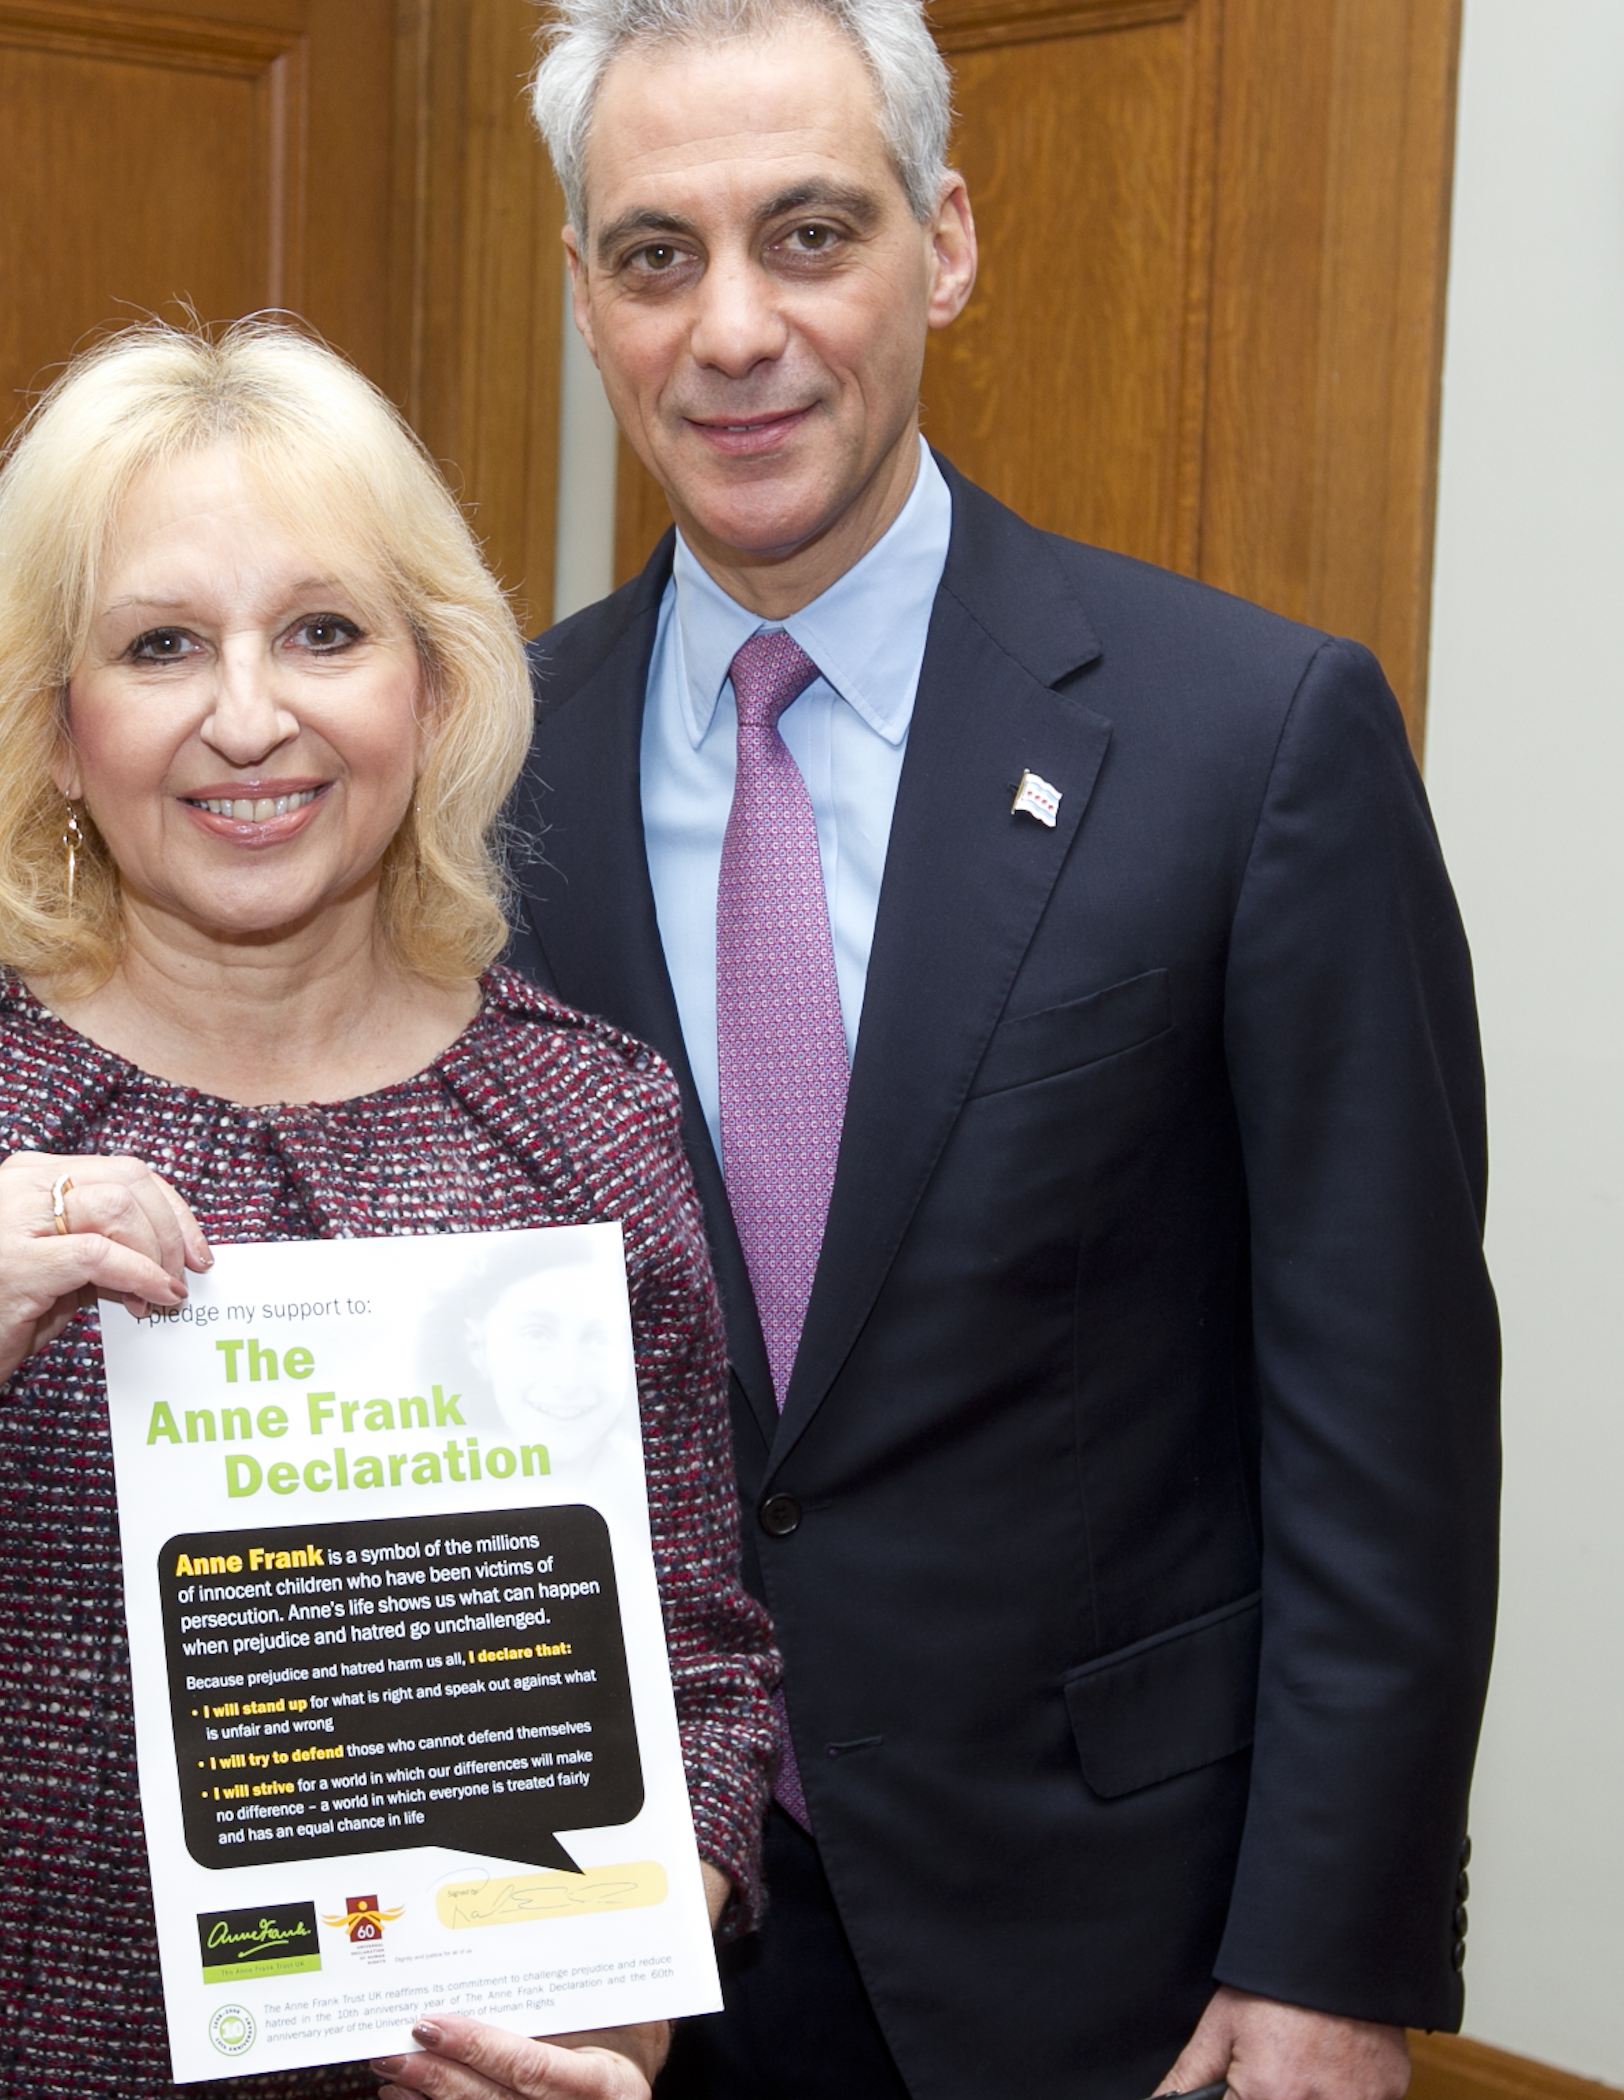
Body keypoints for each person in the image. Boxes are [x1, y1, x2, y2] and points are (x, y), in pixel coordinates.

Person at [0, 321, 778, 2100]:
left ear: (431, 689)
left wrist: (609, 2002)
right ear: (54, 722)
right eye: (161, 645)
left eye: (325, 633)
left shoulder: (582, 1118)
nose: (249, 714)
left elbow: (699, 1675)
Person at [509, 5, 1500, 2098]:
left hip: (1113, 1958)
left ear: (942, 242)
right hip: (611, 1952)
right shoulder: (480, 779)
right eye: (656, 254)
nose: (735, 330)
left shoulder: (1252, 740)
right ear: (587, 294)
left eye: (810, 233)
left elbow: (1384, 1432)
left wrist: (1335, 1957)